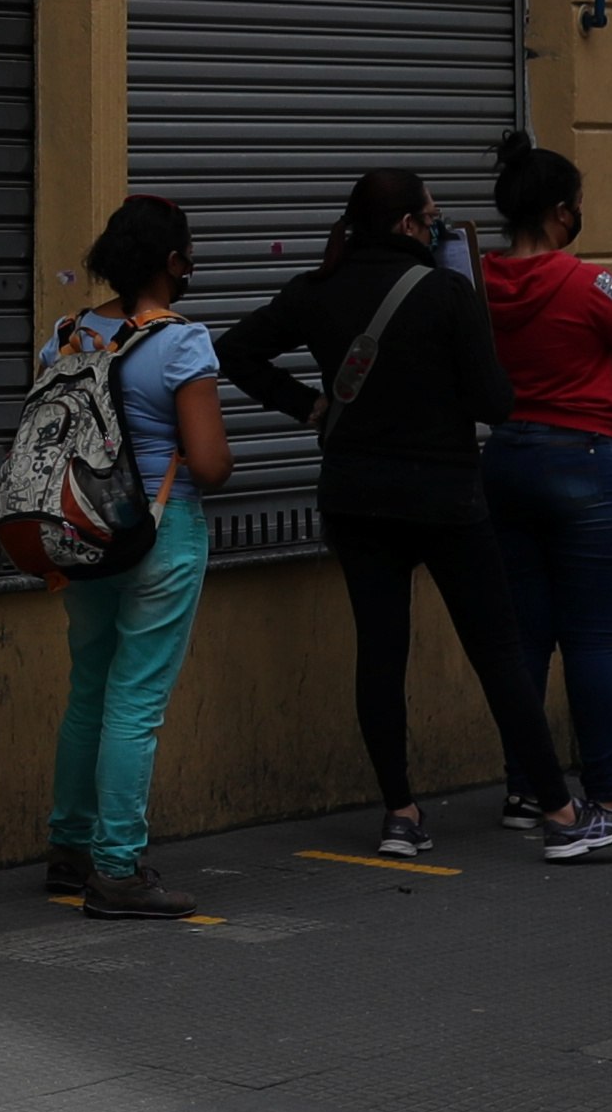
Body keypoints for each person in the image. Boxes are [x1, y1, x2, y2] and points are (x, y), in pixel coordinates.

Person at [222, 167, 568, 862]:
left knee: (381, 654)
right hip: (445, 500)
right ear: (410, 227)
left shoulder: (318, 290)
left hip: (356, 498)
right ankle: (561, 812)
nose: (439, 226)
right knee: (498, 653)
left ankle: (401, 814)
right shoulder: (448, 293)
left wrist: (307, 405)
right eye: (432, 216)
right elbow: (495, 404)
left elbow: (234, 349)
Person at [473, 131, 612, 861]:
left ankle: (527, 789)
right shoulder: (590, 283)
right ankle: (608, 795)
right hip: (585, 463)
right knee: (590, 639)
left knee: (524, 637)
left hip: (504, 461)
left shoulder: (474, 282)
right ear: (562, 213)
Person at [39, 194, 229, 922]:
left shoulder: (65, 335)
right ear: (174, 263)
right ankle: (116, 869)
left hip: (81, 534)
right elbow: (209, 464)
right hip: (157, 532)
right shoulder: (182, 343)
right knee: (136, 701)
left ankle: (69, 847)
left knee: (89, 686)